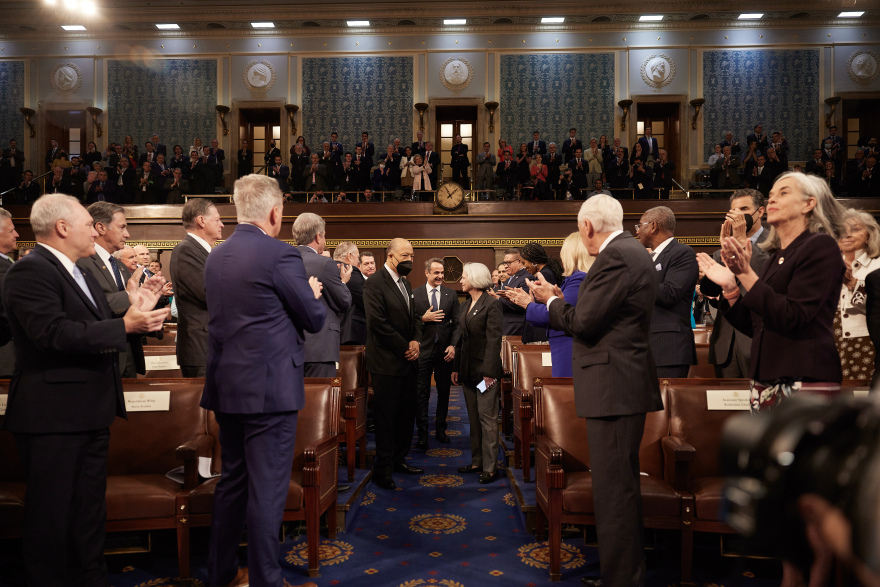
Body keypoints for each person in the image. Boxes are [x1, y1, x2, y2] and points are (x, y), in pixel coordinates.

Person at [2, 194, 167, 587]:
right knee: (52, 517)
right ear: (62, 227)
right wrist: (124, 326)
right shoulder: (30, 271)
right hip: (53, 416)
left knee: (88, 513)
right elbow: (53, 333)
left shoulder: (80, 272)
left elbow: (96, 325)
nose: (94, 231)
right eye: (87, 224)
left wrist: (136, 308)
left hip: (90, 411)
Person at [697, 171, 849, 587]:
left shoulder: (819, 248)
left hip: (803, 382)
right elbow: (759, 324)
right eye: (773, 192)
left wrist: (744, 275)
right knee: (783, 500)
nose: (773, 198)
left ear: (809, 204)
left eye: (784, 192)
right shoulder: (782, 253)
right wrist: (731, 290)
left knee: (807, 499)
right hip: (769, 382)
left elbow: (794, 316)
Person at [529, 194, 663, 587]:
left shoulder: (615, 256)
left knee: (614, 491)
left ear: (587, 226)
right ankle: (623, 574)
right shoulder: (631, 251)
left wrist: (550, 301)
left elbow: (584, 323)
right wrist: (559, 302)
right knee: (619, 487)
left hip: (614, 386)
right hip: (620, 383)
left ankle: (622, 579)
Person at [200, 174, 325, 587]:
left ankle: (221, 574)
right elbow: (313, 319)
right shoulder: (280, 254)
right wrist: (311, 294)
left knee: (233, 482)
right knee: (267, 490)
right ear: (274, 212)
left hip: (226, 387)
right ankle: (266, 580)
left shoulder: (215, 256)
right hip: (269, 391)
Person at [364, 238, 423, 491]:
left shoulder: (405, 282)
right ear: (390, 256)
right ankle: (383, 469)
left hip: (408, 362)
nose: (410, 260)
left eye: (412, 256)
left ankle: (399, 460)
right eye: (405, 255)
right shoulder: (375, 283)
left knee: (405, 416)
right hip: (386, 363)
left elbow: (415, 317)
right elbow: (378, 323)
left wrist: (416, 341)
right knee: (386, 419)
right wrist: (405, 346)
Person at [505, 232, 594, 377]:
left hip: (567, 346)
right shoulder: (576, 278)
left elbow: (558, 313)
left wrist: (528, 304)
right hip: (564, 344)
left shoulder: (579, 278)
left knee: (564, 389)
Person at [77, 202, 149, 377]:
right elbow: (88, 306)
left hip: (128, 353)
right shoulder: (81, 261)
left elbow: (131, 307)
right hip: (101, 356)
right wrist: (128, 295)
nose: (127, 234)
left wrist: (146, 300)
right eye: (122, 227)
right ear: (101, 228)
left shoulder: (119, 265)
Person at [706, 189, 771, 378]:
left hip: (759, 339)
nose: (738, 216)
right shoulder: (723, 249)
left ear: (760, 212)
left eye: (744, 209)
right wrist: (722, 261)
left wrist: (743, 243)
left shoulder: (775, 243)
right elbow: (710, 290)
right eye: (733, 211)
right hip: (725, 343)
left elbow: (768, 279)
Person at [452, 262, 503, 484]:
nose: (460, 280)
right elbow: (462, 339)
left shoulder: (492, 304)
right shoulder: (465, 305)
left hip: (485, 374)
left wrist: (489, 372)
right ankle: (477, 462)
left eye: (464, 277)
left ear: (475, 279)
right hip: (468, 372)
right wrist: (456, 367)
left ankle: (491, 468)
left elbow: (494, 341)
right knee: (473, 419)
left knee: (487, 419)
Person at [636, 206, 699, 378]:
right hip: (644, 348)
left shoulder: (682, 253)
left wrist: (635, 277)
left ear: (653, 226)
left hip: (668, 349)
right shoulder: (650, 257)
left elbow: (670, 293)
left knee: (666, 397)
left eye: (640, 225)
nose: (637, 231)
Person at [169, 198, 223, 378]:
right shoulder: (185, 250)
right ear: (201, 221)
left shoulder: (204, 252)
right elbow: (209, 293)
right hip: (200, 349)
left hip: (210, 346)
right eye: (217, 220)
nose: (222, 225)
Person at [293, 212, 351, 377]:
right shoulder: (325, 264)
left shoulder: (282, 261)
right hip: (320, 349)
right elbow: (344, 302)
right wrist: (343, 282)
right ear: (318, 237)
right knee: (320, 393)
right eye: (324, 236)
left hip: (288, 347)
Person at [413, 258, 461, 451]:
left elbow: (457, 324)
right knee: (421, 394)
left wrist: (453, 345)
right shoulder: (415, 294)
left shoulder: (451, 294)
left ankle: (441, 430)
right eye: (436, 273)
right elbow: (408, 321)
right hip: (422, 350)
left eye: (442, 273)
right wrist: (422, 318)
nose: (440, 276)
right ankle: (422, 434)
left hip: (444, 352)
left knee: (444, 392)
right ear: (427, 273)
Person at [834, 209, 880, 380]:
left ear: (869, 235)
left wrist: (852, 284)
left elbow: (877, 307)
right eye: (841, 230)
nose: (847, 234)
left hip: (867, 342)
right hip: (830, 340)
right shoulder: (825, 265)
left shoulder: (877, 266)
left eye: (855, 229)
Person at [516, 242, 563, 343]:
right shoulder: (547, 272)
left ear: (533, 261)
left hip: (542, 332)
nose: (524, 267)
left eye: (524, 263)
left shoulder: (544, 275)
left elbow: (544, 306)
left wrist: (527, 302)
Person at [0, 207, 20, 377]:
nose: (17, 235)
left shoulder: (7, 264)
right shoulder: (3, 270)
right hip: (5, 358)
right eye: (11, 230)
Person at [334, 241, 366, 345]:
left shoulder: (328, 269)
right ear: (350, 256)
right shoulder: (351, 271)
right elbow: (366, 299)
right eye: (357, 257)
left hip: (332, 329)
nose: (358, 261)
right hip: (350, 333)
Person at [495, 248, 529, 335]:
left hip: (516, 326)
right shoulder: (510, 279)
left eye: (508, 263)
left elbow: (522, 304)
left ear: (519, 262)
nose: (506, 266)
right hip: (506, 324)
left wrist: (498, 299)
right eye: (505, 263)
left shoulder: (526, 277)